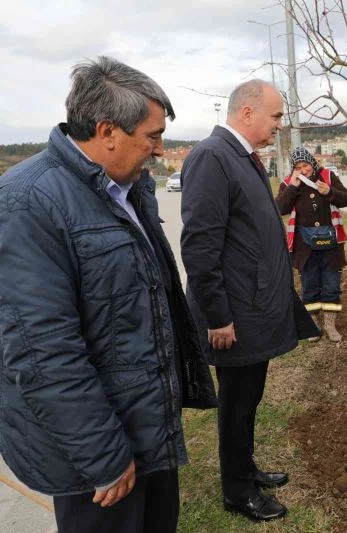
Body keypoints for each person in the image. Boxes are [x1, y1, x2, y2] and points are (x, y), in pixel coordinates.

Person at [0, 56, 217, 533]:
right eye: (153, 136)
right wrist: (104, 456)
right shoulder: (27, 203)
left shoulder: (129, 187)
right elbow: (42, 353)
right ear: (107, 131)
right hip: (97, 458)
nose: (160, 150)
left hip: (146, 427)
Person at [180, 79, 318, 522]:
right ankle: (237, 491)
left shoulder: (241, 157)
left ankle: (246, 467)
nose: (280, 124)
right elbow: (200, 246)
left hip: (251, 305)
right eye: (276, 116)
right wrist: (217, 316)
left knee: (249, 399)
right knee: (237, 404)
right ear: (246, 113)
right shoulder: (211, 157)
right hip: (233, 314)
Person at [277, 147, 347, 342]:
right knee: (309, 285)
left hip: (331, 245)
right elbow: (280, 208)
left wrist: (330, 192)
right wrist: (293, 187)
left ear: (313, 163)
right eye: (298, 167)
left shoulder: (328, 176)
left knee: (331, 285)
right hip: (304, 246)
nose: (304, 171)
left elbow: (346, 199)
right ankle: (314, 325)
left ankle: (330, 325)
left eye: (306, 165)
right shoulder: (288, 183)